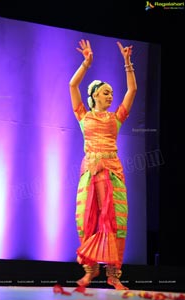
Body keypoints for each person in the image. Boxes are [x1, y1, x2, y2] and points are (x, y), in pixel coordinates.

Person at [69, 39, 137, 290]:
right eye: (106, 92)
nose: (110, 96)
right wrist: (86, 63)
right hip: (89, 173)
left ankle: (114, 276)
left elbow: (132, 91)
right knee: (86, 220)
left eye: (111, 93)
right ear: (95, 94)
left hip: (112, 173)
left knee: (115, 221)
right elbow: (72, 84)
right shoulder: (82, 116)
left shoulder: (115, 118)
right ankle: (90, 270)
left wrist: (128, 63)